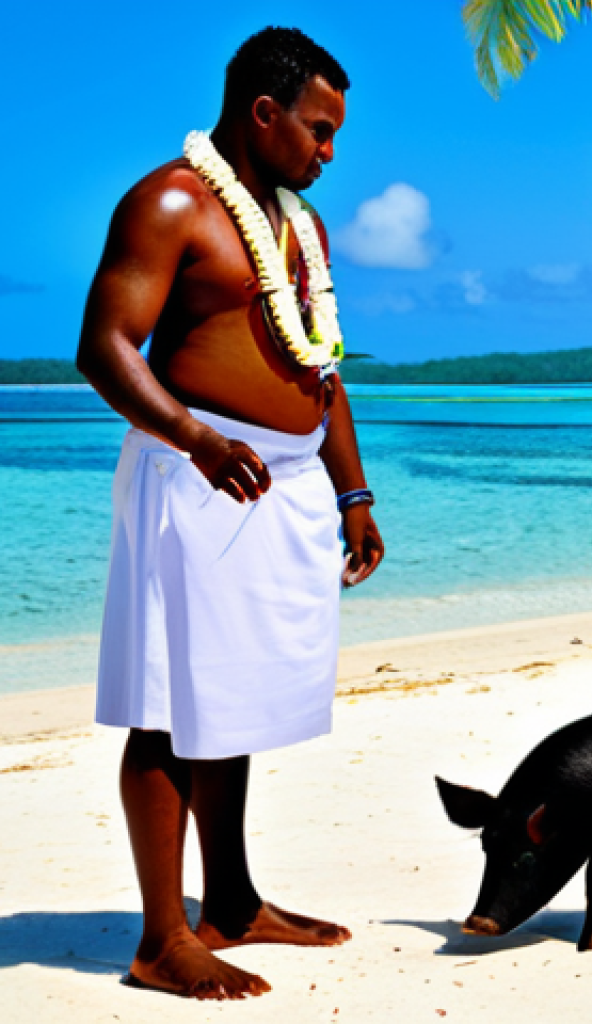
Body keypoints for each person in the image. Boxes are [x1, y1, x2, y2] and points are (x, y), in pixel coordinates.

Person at [76, 27, 384, 999]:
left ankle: (235, 901)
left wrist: (352, 490)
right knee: (171, 706)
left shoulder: (298, 224)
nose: (328, 152)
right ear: (264, 112)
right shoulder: (170, 202)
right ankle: (161, 937)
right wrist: (193, 439)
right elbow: (105, 346)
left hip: (280, 483)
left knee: (234, 694)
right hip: (195, 476)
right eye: (319, 131)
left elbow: (319, 366)